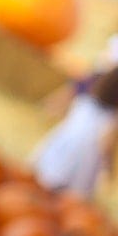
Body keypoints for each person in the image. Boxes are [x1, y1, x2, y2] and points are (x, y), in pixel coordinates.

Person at [32, 66, 118, 199]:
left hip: (63, 144)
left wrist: (49, 107)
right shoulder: (113, 114)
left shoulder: (95, 79)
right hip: (83, 161)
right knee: (63, 202)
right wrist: (109, 171)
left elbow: (66, 94)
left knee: (37, 185)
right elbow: (106, 143)